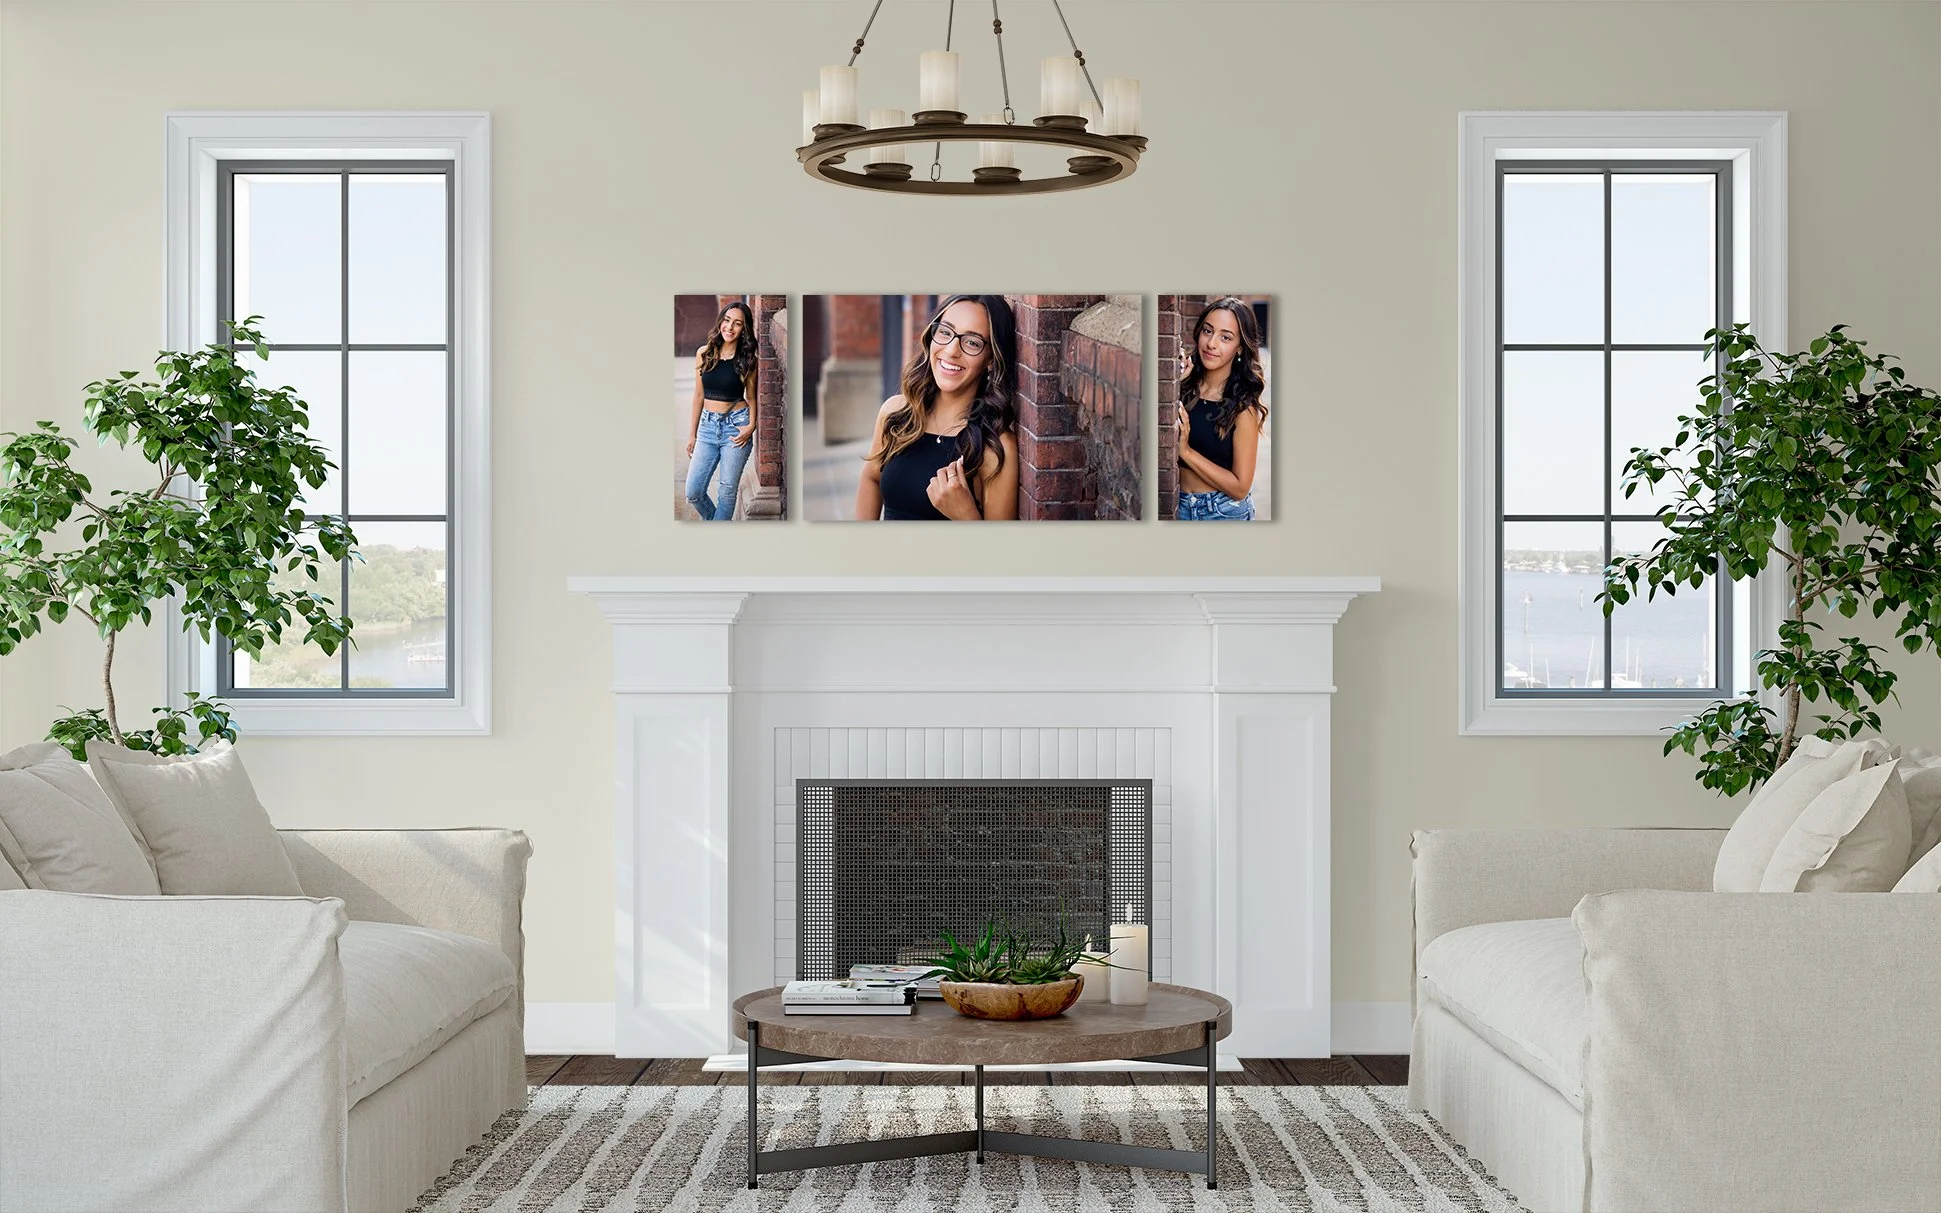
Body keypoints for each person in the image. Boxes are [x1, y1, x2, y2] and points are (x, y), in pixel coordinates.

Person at [856, 295, 1020, 521]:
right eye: (945, 332)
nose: (952, 350)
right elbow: (872, 479)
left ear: (991, 359)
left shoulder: (995, 445)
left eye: (972, 342)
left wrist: (965, 514)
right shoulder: (895, 413)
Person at [1174, 297, 1267, 521]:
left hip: (1222, 512)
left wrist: (1186, 452)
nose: (1211, 343)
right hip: (1177, 506)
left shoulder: (1243, 406)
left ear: (1240, 349)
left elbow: (1240, 487)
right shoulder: (1183, 386)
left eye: (1225, 337)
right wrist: (1175, 383)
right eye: (1208, 331)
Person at [683, 301, 757, 521]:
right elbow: (698, 396)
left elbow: (751, 397)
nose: (730, 327)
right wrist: (692, 434)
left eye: (737, 324)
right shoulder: (704, 353)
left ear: (744, 329)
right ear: (720, 322)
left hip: (736, 427)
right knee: (693, 492)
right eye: (727, 321)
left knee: (726, 491)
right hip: (707, 427)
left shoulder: (748, 359)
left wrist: (751, 426)